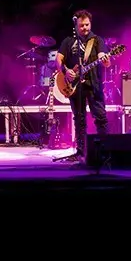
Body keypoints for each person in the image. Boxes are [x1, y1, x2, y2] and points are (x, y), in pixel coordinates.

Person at [56, 10, 112, 157]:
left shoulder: (97, 40)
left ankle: (104, 151)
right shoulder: (68, 41)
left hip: (94, 85)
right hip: (75, 87)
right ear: (76, 25)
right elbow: (58, 59)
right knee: (79, 120)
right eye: (81, 25)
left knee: (100, 118)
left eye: (87, 25)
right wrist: (66, 70)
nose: (85, 28)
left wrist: (106, 59)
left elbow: (104, 59)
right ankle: (81, 151)